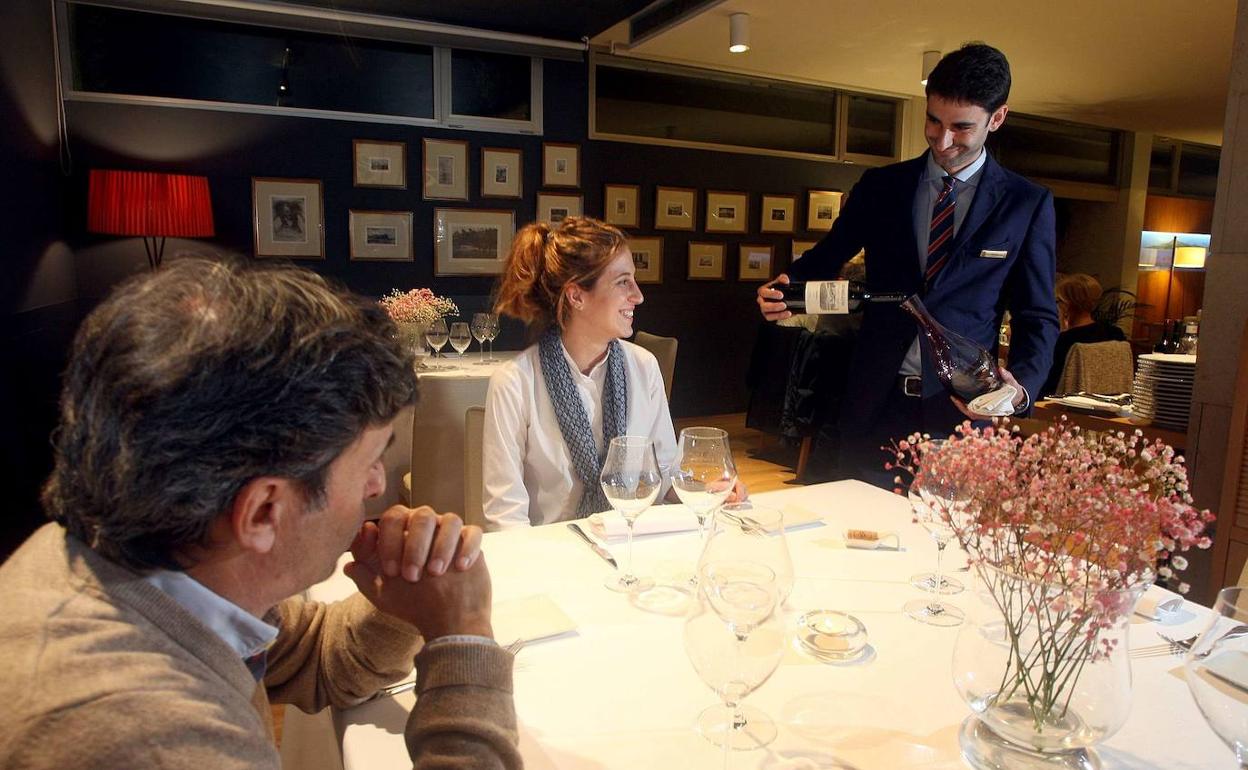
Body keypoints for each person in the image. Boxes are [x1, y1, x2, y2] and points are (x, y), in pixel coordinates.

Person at [0, 260, 520, 769]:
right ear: (264, 510)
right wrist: (464, 640)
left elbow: (318, 659)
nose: (379, 486)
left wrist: (405, 602)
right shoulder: (143, 736)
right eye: (369, 461)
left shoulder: (145, 564)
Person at [757, 43, 1058, 487]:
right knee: (858, 538)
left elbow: (1038, 317)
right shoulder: (882, 187)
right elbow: (828, 254)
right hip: (874, 403)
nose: (943, 140)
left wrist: (1021, 390)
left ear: (997, 119)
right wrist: (784, 288)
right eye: (933, 121)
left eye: (961, 127)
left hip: (961, 414)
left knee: (946, 547)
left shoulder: (1026, 204)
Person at [483, 217, 730, 529]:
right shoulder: (515, 383)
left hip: (629, 543)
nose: (638, 296)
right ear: (576, 296)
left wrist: (706, 490)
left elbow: (666, 474)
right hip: (551, 556)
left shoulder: (643, 367)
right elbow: (505, 518)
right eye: (622, 282)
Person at [1038, 273, 1127, 397]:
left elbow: (1049, 386)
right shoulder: (1116, 334)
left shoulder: (1065, 341)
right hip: (1111, 405)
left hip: (1063, 408)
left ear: (1067, 304)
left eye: (1058, 301)